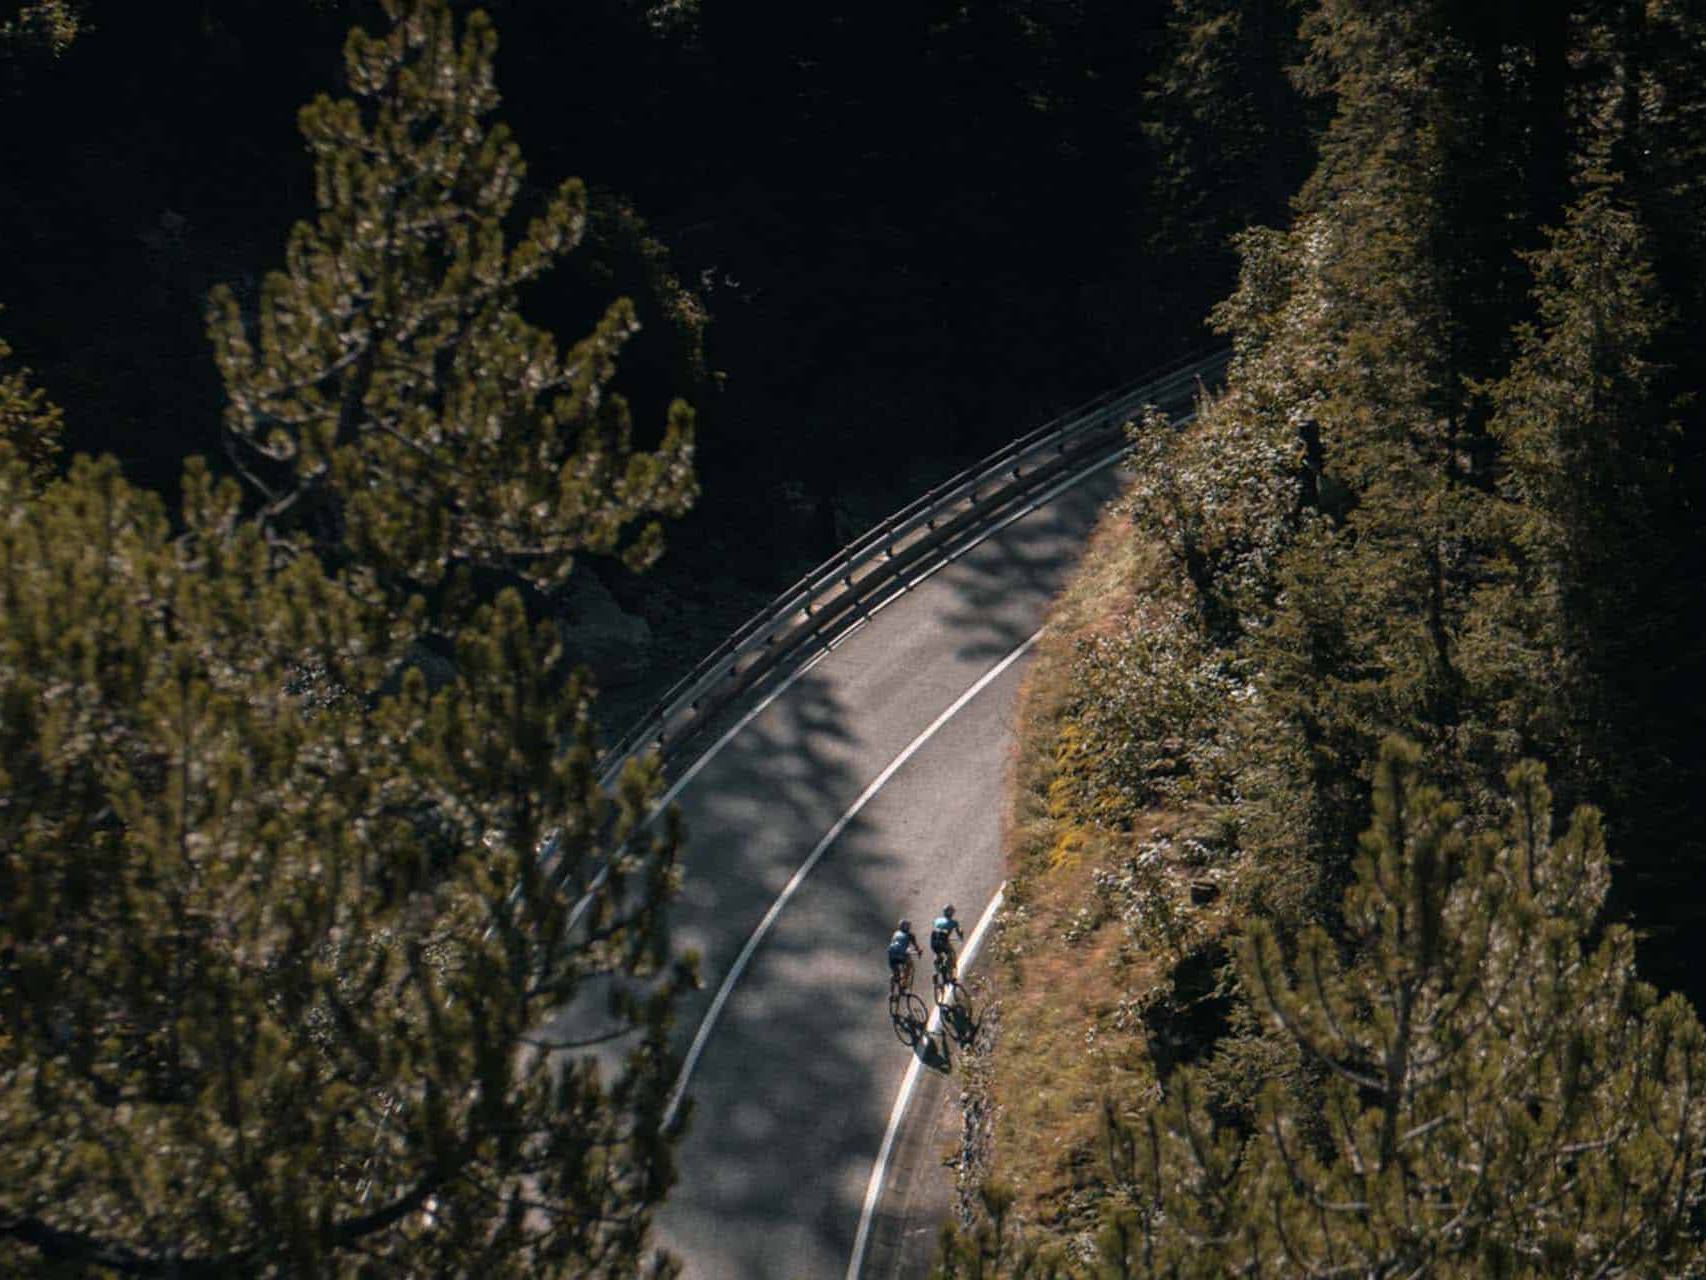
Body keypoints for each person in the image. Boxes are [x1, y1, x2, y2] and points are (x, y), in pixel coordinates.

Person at [931, 905, 964, 981]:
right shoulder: (954, 922)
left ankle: (936, 972)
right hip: (943, 941)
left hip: (933, 940)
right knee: (950, 955)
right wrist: (960, 937)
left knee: (938, 954)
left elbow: (938, 929)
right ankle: (950, 975)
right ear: (952, 913)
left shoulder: (937, 920)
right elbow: (959, 932)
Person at [887, 918, 921, 991]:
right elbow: (916, 947)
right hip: (901, 955)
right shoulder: (910, 935)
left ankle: (893, 989)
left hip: (891, 955)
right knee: (909, 965)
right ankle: (904, 983)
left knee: (896, 973)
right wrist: (919, 951)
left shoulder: (895, 934)